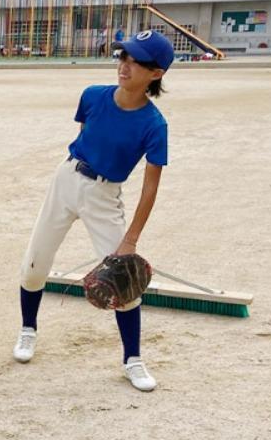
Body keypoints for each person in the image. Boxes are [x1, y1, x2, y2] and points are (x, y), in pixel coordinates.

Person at [13, 30, 173, 392]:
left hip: (105, 195)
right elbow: (87, 134)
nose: (125, 65)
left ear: (156, 73)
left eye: (136, 61)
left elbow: (151, 187)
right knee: (35, 261)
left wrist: (131, 240)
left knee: (124, 278)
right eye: (123, 56)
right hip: (67, 178)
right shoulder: (92, 95)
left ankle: (133, 359)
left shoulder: (154, 125)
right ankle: (28, 330)